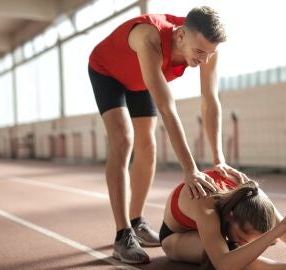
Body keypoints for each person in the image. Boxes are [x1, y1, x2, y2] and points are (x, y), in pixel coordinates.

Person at [88, 6, 248, 264]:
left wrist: (219, 160)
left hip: (140, 78)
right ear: (181, 36)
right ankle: (122, 234)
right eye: (199, 53)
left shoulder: (205, 47)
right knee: (123, 139)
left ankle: (137, 220)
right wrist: (190, 169)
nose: (204, 61)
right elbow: (166, 107)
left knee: (147, 145)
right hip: (108, 72)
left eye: (210, 54)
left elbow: (210, 100)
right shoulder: (148, 37)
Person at [160, 170, 286, 270]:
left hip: (212, 225)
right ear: (231, 216)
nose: (244, 243)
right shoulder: (207, 208)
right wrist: (273, 234)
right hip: (175, 236)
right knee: (232, 253)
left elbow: (281, 225)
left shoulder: (251, 193)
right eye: (243, 238)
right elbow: (224, 265)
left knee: (240, 249)